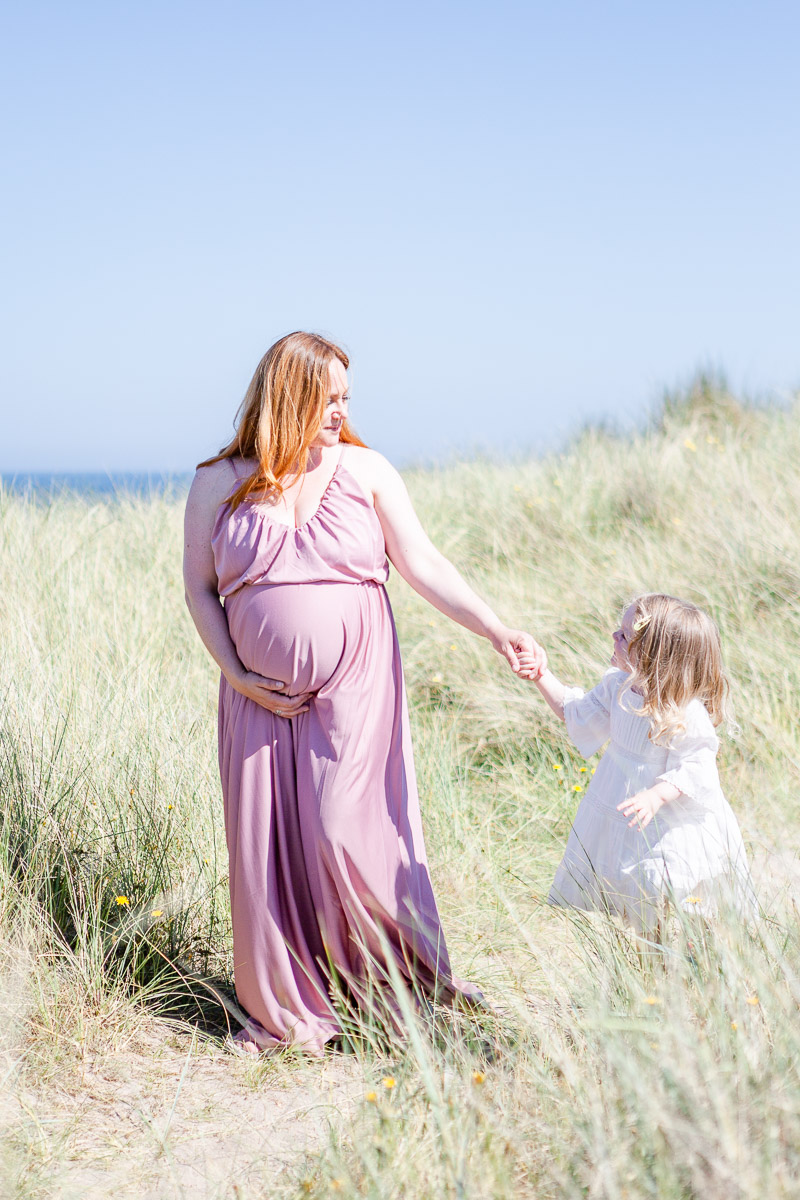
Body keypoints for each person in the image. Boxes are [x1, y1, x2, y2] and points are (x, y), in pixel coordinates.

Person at [183, 331, 545, 1055]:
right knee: (269, 848)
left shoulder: (366, 469)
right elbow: (199, 589)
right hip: (257, 697)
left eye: (346, 396)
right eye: (328, 397)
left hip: (357, 681)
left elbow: (423, 563)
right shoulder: (219, 480)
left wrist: (496, 629)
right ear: (288, 396)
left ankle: (387, 988)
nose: (340, 409)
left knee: (345, 828)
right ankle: (291, 1008)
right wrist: (236, 672)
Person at [518, 593, 756, 937]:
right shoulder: (618, 686)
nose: (614, 637)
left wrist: (657, 795)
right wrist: (541, 675)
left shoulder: (684, 711)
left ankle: (687, 956)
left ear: (655, 656)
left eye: (625, 636)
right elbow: (579, 714)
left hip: (671, 822)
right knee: (634, 890)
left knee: (665, 888)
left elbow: (697, 767)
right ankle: (647, 967)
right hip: (626, 811)